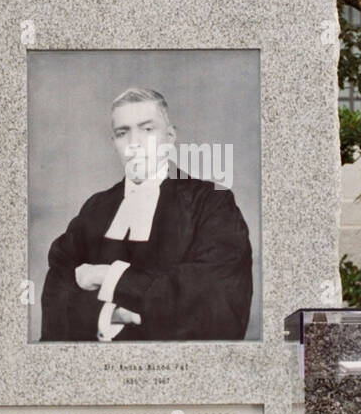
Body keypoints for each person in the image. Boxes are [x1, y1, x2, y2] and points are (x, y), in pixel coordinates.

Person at [38, 87, 254, 342]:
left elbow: (215, 297)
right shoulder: (95, 210)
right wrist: (114, 315)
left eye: (147, 129)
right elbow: (57, 292)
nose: (134, 143)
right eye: (122, 133)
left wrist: (109, 277)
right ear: (114, 143)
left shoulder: (211, 203)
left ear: (170, 136)